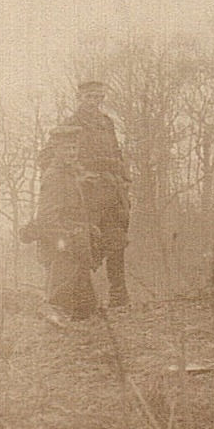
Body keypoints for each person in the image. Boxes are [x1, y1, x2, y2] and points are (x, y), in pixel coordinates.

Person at [19, 125, 100, 324]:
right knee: (59, 303)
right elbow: (47, 217)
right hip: (63, 247)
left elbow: (74, 209)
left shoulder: (71, 173)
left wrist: (87, 229)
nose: (72, 153)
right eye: (66, 149)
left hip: (76, 243)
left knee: (86, 309)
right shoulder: (54, 176)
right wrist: (65, 240)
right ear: (56, 149)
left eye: (74, 148)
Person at [62, 80, 130, 307]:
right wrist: (80, 175)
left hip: (111, 192)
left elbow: (117, 152)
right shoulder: (70, 125)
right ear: (80, 98)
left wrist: (124, 178)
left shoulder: (106, 123)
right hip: (87, 196)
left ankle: (119, 298)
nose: (94, 102)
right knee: (85, 246)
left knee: (117, 243)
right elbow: (55, 158)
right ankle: (82, 300)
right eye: (89, 97)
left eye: (98, 98)